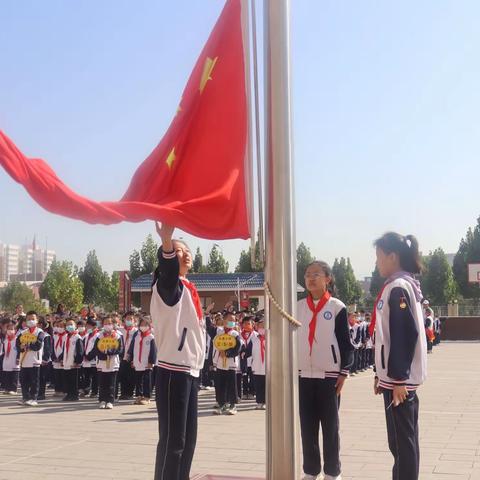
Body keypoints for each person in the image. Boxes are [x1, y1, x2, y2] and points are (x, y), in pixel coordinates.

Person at [151, 222, 206, 480]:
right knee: (173, 441)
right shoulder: (167, 288)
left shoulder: (190, 289)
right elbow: (169, 272)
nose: (185, 254)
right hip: (173, 370)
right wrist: (167, 241)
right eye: (178, 251)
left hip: (190, 371)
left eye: (187, 250)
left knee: (188, 440)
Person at [371, 232, 427, 480]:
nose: (377, 263)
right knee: (404, 441)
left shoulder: (398, 287)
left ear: (392, 256)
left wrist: (398, 379)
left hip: (399, 381)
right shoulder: (404, 284)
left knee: (402, 443)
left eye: (378, 257)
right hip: (396, 378)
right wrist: (379, 372)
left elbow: (403, 334)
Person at [297, 261, 353, 480]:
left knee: (330, 427)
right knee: (307, 426)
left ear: (328, 279)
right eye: (307, 274)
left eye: (316, 274)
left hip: (329, 376)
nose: (310, 278)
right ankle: (310, 471)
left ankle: (332, 472)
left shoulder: (337, 307)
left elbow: (346, 344)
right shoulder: (298, 307)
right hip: (304, 375)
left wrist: (344, 372)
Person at [209, 311, 241, 415]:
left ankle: (233, 405)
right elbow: (208, 327)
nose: (232, 322)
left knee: (232, 385)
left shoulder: (235, 334)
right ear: (224, 320)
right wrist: (206, 314)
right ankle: (221, 404)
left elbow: (238, 349)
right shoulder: (218, 331)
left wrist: (227, 353)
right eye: (230, 320)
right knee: (220, 385)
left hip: (231, 364)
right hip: (219, 363)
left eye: (233, 320)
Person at [90, 316, 124, 409]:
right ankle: (102, 400)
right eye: (105, 323)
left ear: (113, 324)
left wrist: (110, 352)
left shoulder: (117, 336)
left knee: (111, 383)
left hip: (113, 362)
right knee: (102, 383)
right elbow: (95, 349)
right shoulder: (99, 335)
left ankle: (110, 400)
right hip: (101, 362)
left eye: (109, 323)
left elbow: (120, 349)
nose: (107, 325)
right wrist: (102, 354)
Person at [16, 311, 45, 406]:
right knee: (24, 381)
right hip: (24, 360)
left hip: (34, 361)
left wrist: (28, 345)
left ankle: (34, 398)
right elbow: (17, 344)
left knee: (34, 381)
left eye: (33, 319)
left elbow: (38, 345)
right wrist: (20, 347)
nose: (30, 321)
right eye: (28, 319)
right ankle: (25, 397)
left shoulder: (40, 332)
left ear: (37, 320)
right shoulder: (23, 332)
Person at [127, 317, 157, 405]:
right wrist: (132, 360)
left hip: (147, 363)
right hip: (137, 362)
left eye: (145, 325)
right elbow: (133, 349)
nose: (143, 326)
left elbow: (153, 351)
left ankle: (147, 397)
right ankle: (139, 395)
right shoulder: (137, 337)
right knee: (138, 380)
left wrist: (151, 361)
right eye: (142, 325)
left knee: (147, 380)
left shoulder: (151, 337)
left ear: (149, 326)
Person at [246, 318, 266, 410]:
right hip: (257, 367)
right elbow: (247, 351)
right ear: (257, 327)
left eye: (264, 326)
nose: (262, 328)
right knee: (258, 386)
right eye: (260, 326)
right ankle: (259, 402)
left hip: (268, 367)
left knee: (267, 386)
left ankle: (266, 402)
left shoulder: (272, 338)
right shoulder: (254, 339)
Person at [62, 318, 84, 401]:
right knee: (67, 379)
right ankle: (69, 394)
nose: (69, 326)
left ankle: (74, 395)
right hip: (66, 362)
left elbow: (80, 351)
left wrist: (77, 361)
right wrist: (62, 359)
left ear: (75, 326)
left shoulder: (77, 337)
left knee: (74, 380)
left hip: (74, 363)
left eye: (71, 324)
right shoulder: (66, 337)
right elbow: (64, 349)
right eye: (68, 325)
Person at [118, 311, 137, 400]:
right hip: (122, 357)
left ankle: (130, 393)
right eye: (127, 319)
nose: (129, 320)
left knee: (131, 376)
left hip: (131, 357)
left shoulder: (136, 331)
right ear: (124, 320)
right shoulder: (120, 330)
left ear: (134, 320)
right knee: (122, 375)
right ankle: (123, 393)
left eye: (131, 319)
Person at [81, 318, 99, 397]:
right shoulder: (86, 336)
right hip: (86, 360)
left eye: (89, 326)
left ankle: (94, 391)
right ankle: (86, 390)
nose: (87, 328)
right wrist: (84, 355)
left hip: (93, 360)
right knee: (86, 376)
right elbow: (83, 347)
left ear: (94, 327)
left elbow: (96, 348)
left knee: (95, 377)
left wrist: (90, 356)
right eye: (87, 326)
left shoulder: (98, 336)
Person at [1, 322, 20, 394]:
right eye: (8, 329)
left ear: (15, 330)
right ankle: (7, 388)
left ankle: (13, 389)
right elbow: (3, 350)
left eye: (12, 329)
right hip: (7, 359)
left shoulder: (17, 339)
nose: (10, 330)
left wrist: (18, 358)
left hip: (14, 359)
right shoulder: (5, 339)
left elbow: (19, 350)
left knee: (14, 375)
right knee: (7, 374)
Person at [51, 318, 66, 397]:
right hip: (55, 358)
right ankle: (57, 390)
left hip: (62, 358)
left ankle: (63, 390)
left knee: (63, 375)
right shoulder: (55, 335)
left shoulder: (66, 336)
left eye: (61, 326)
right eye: (58, 326)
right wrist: (53, 356)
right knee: (57, 374)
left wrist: (61, 357)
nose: (59, 327)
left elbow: (66, 348)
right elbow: (53, 346)